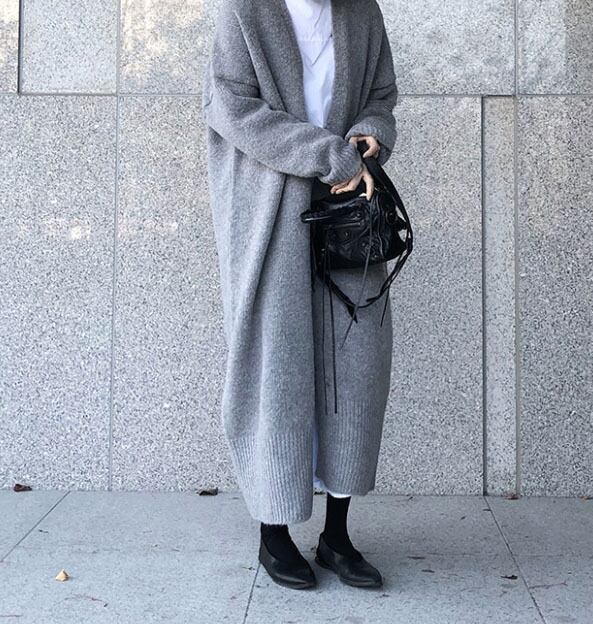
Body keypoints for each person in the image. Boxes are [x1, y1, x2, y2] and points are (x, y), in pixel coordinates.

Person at [202, 0, 398, 590]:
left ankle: (337, 536)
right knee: (276, 366)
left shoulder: (361, 12)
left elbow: (381, 95)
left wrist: (370, 134)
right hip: (269, 212)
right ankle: (274, 531)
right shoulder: (245, 10)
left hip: (349, 210)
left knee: (355, 367)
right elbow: (230, 106)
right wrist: (327, 153)